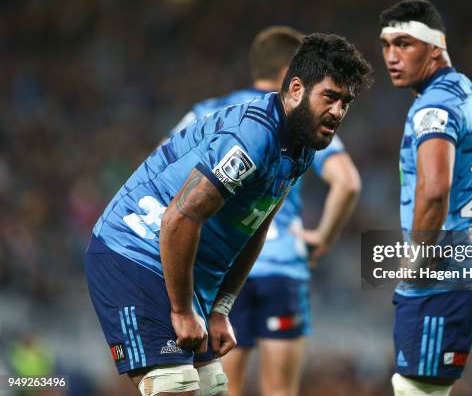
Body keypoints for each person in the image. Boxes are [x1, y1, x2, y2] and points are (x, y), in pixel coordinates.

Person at [85, 33, 372, 396]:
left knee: (214, 388)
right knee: (175, 386)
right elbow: (181, 216)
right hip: (133, 254)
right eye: (330, 97)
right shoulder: (254, 136)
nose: (338, 111)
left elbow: (256, 225)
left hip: (180, 266)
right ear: (296, 88)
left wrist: (221, 307)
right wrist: (182, 310)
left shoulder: (302, 148)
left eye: (346, 102)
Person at [170, 26, 362, 396]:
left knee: (223, 388)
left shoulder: (212, 111)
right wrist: (322, 238)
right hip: (282, 267)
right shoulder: (305, 118)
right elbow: (348, 182)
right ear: (294, 76)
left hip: (221, 265)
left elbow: (165, 163)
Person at [378, 0, 472, 396]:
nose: (391, 56)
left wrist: (415, 263)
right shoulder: (466, 93)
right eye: (386, 45)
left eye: (404, 43)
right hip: (463, 275)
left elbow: (434, 191)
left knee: (412, 389)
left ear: (434, 46)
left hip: (438, 281)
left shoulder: (434, 106)